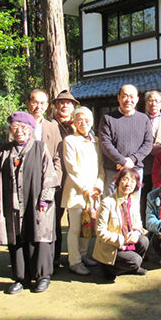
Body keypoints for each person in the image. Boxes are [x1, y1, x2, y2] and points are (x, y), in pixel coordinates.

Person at [0, 111, 60, 294]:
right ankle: (21, 278)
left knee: (39, 237)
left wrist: (45, 199)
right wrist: (0, 202)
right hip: (13, 204)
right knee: (17, 240)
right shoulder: (4, 152)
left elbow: (50, 176)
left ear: (30, 130)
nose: (20, 131)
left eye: (24, 127)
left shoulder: (40, 148)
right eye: (15, 127)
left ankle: (42, 276)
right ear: (11, 130)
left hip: (37, 203)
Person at [61, 107, 104, 275]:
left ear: (91, 121)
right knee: (75, 228)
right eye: (79, 120)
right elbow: (71, 169)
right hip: (77, 191)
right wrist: (86, 188)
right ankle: (74, 260)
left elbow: (101, 167)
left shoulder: (97, 141)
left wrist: (98, 186)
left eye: (86, 120)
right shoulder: (70, 140)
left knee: (89, 225)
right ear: (74, 122)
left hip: (94, 192)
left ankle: (83, 255)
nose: (83, 123)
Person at [93, 168, 149, 281]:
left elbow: (138, 222)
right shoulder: (107, 203)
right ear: (118, 181)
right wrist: (122, 239)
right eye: (125, 179)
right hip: (113, 247)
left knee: (144, 241)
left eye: (133, 181)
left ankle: (131, 268)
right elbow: (100, 231)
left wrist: (136, 232)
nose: (128, 184)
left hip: (128, 242)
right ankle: (109, 269)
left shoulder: (134, 199)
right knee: (136, 260)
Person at [98, 84, 153, 196]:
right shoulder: (108, 118)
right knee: (111, 206)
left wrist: (132, 160)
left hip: (135, 170)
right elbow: (105, 143)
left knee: (132, 207)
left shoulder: (144, 119)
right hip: (113, 171)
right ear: (118, 97)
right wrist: (122, 161)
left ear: (137, 99)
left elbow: (148, 143)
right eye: (125, 96)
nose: (128, 100)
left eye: (132, 97)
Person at [51, 89, 79, 267]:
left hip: (76, 180)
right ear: (55, 106)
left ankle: (75, 257)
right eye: (61, 102)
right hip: (57, 178)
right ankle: (53, 257)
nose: (65, 106)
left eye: (68, 103)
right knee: (54, 220)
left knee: (76, 221)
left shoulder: (79, 126)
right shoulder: (50, 126)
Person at [141, 90, 161, 223]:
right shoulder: (139, 118)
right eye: (150, 100)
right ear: (146, 102)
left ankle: (160, 225)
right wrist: (150, 148)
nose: (153, 103)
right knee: (143, 198)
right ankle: (143, 225)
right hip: (143, 165)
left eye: (157, 101)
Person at [25, 89, 62, 182]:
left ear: (47, 105)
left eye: (42, 103)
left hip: (48, 178)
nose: (39, 107)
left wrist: (56, 178)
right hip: (25, 178)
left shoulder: (52, 127)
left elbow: (58, 155)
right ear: (27, 103)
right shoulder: (19, 127)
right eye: (35, 102)